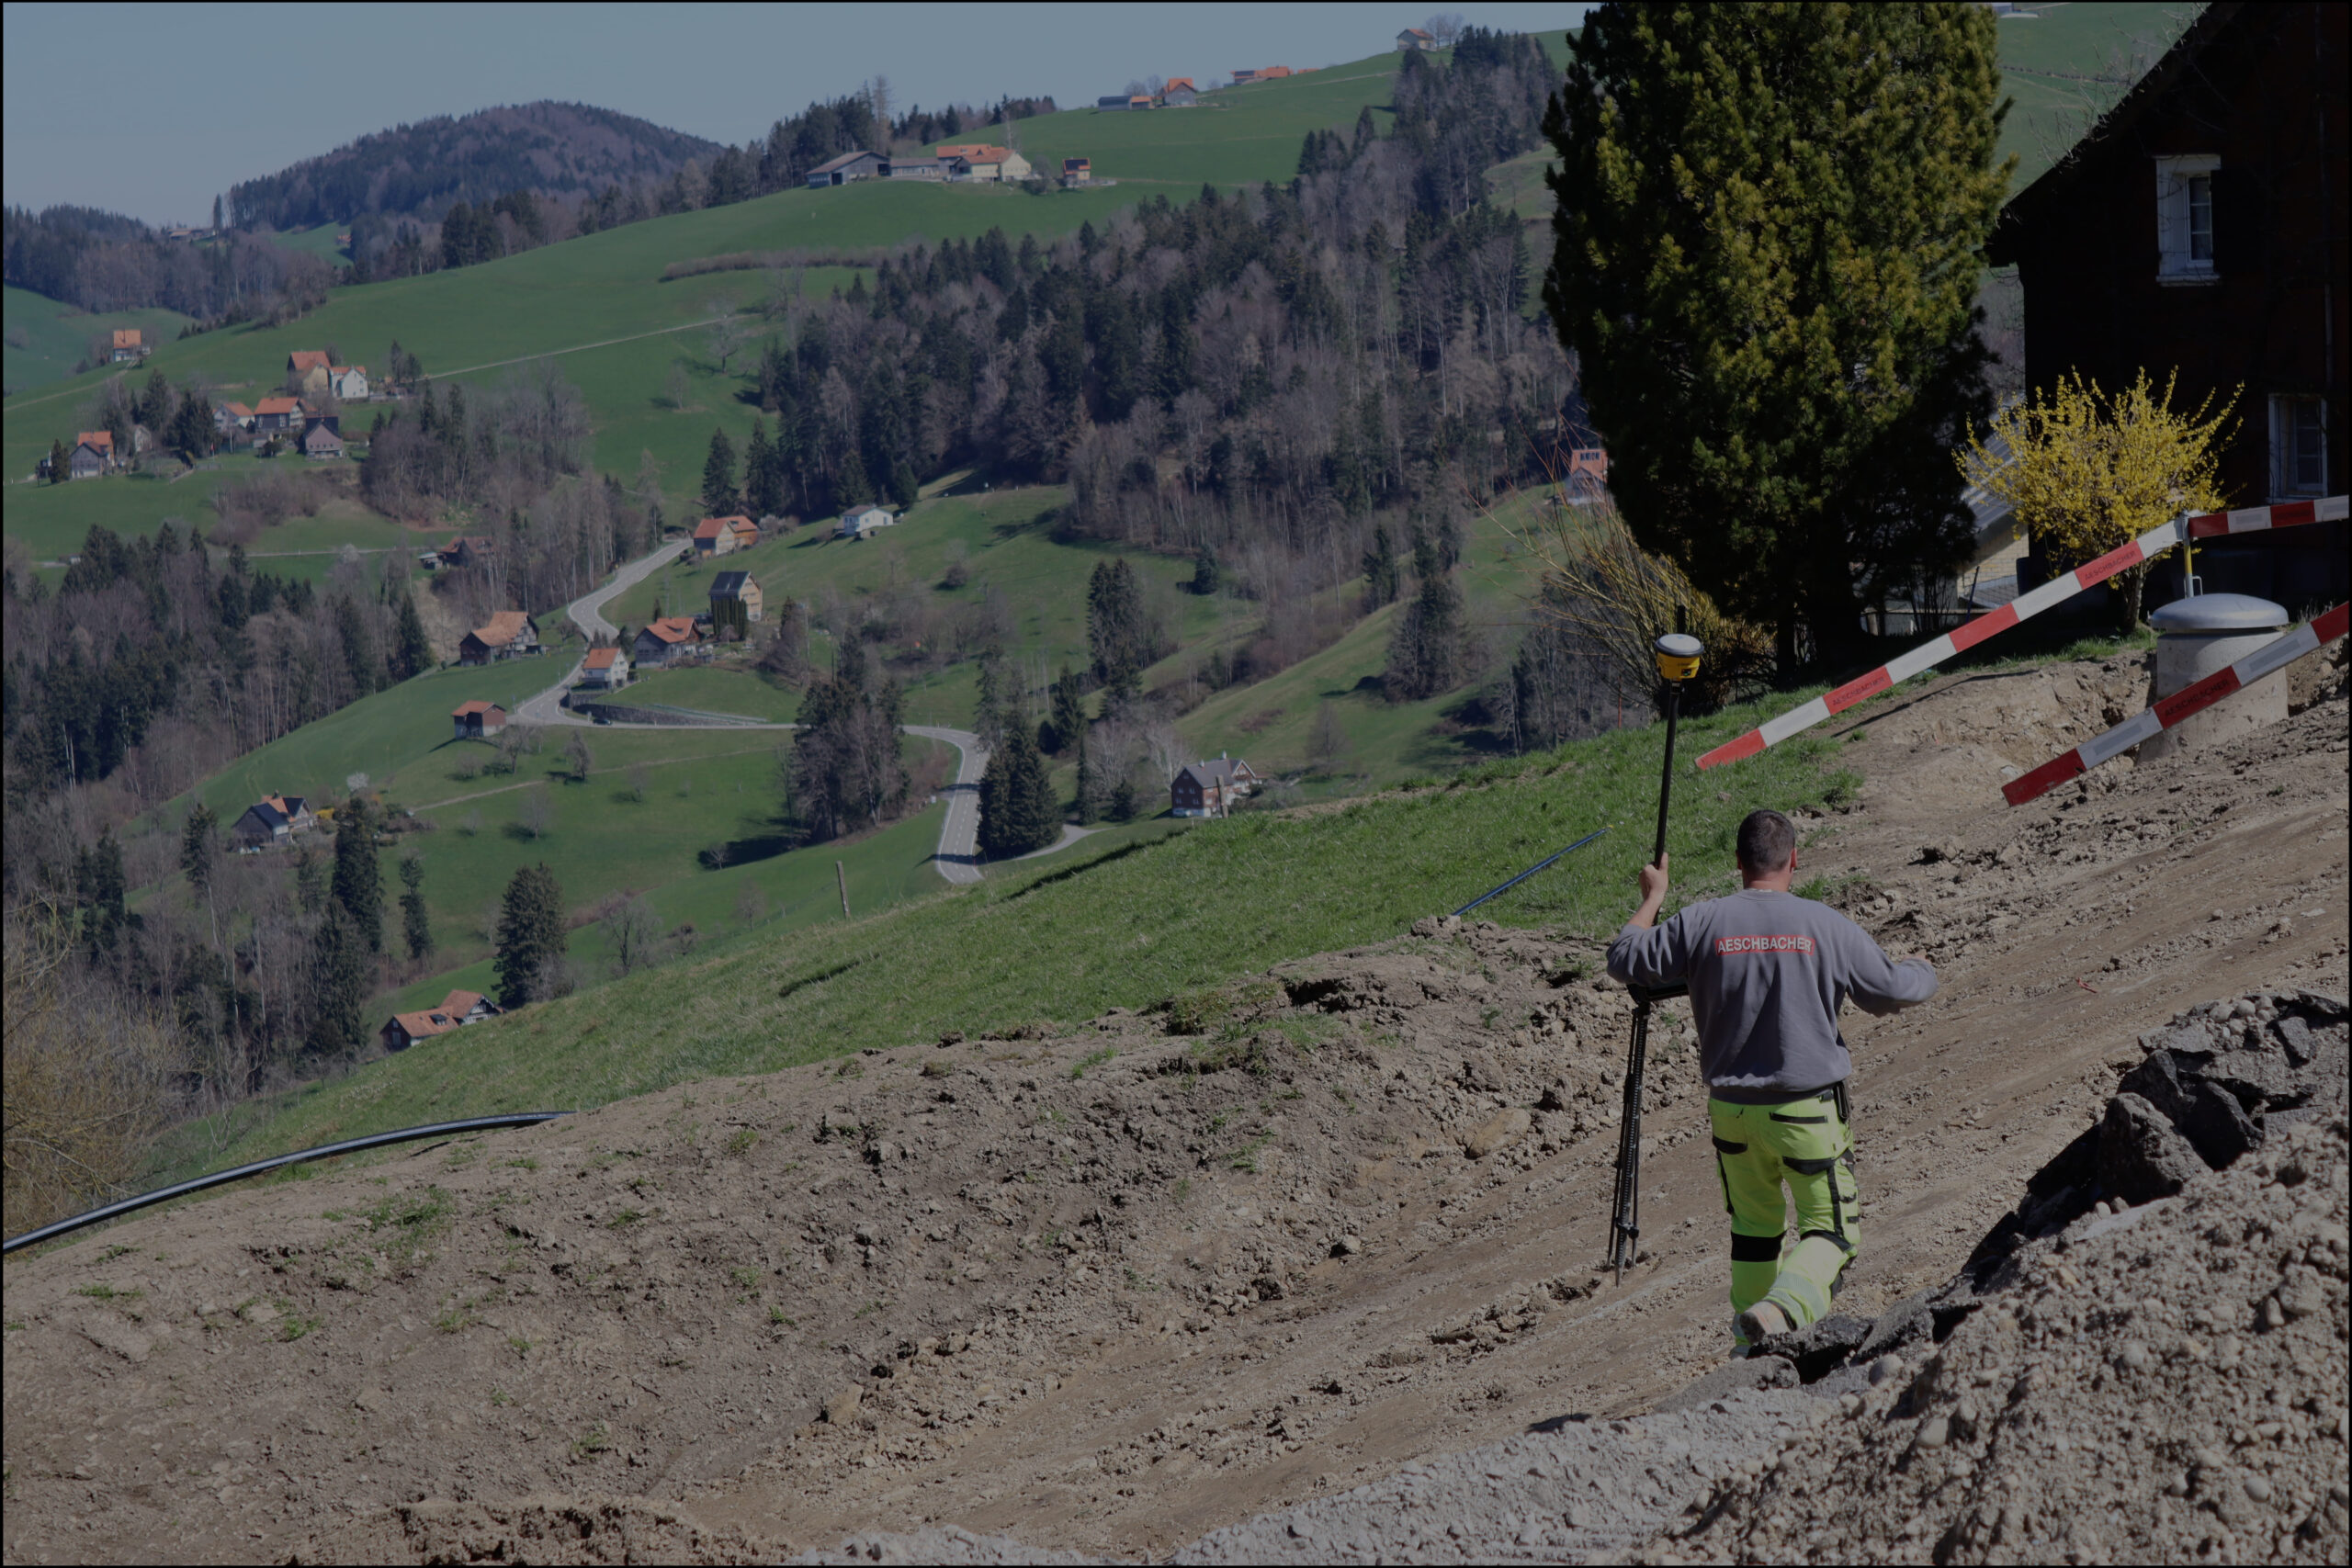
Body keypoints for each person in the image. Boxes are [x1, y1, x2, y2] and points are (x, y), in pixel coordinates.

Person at [1606, 808, 1938, 1348]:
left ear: (1737, 862)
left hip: (1732, 1115)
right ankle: (1784, 1310)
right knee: (1832, 1231)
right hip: (1806, 1112)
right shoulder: (1823, 923)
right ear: (1794, 861)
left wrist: (1653, 895)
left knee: (1755, 1232)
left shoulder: (1702, 921)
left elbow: (1625, 959)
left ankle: (1748, 1347)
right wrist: (1923, 967)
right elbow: (1891, 990)